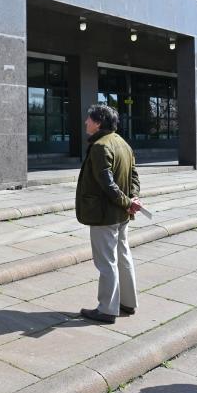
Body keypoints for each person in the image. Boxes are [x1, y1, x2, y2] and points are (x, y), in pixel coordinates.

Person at [75, 104, 141, 324]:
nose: (86, 122)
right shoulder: (123, 143)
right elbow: (134, 177)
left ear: (99, 123)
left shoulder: (100, 146)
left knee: (106, 262)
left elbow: (107, 184)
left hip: (104, 214)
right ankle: (128, 303)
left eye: (89, 119)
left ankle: (107, 309)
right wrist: (133, 200)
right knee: (123, 256)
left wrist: (126, 202)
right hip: (121, 215)